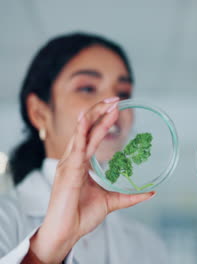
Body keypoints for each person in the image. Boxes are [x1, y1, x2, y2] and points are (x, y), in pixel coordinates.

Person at [0, 33, 167, 263]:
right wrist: (47, 249)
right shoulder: (5, 220)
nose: (114, 108)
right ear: (39, 113)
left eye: (124, 93)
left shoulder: (148, 244)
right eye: (87, 88)